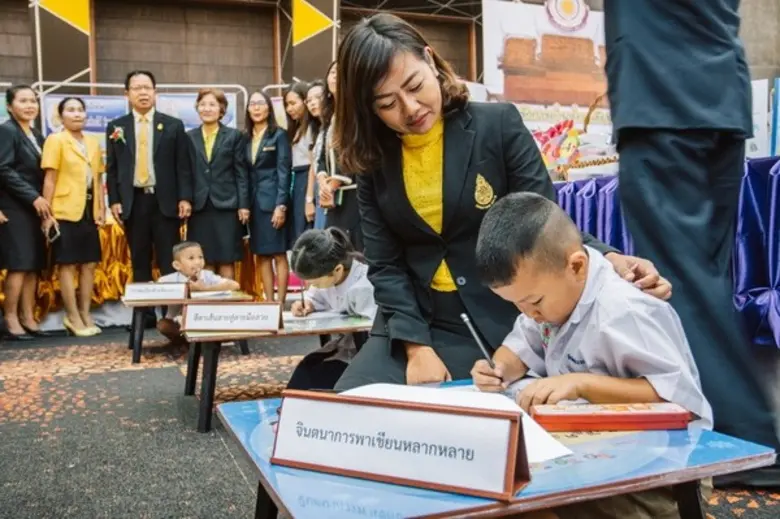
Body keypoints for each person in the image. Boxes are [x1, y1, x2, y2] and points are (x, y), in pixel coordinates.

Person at [330, 14, 671, 392]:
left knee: (448, 421)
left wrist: (612, 260)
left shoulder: (497, 126)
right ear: (368, 109)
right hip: (409, 322)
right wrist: (415, 347)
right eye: (387, 103)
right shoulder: (373, 160)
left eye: (414, 86)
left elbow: (542, 219)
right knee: (350, 406)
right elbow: (385, 264)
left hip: (489, 320)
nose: (410, 108)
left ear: (429, 60)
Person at [603, 1, 780, 485]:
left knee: (683, 286)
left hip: (658, 100)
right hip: (720, 95)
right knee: (707, 283)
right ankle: (739, 436)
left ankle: (749, 445)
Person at [105, 70, 192, 327]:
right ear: (127, 94)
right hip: (134, 202)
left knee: (169, 260)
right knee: (139, 259)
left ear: (155, 92)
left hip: (165, 202)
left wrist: (185, 197)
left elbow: (182, 166)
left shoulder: (173, 125)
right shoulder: (116, 127)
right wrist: (115, 200)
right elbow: (112, 168)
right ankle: (143, 316)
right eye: (136, 88)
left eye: (147, 88)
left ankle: (170, 314)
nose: (142, 93)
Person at [40, 97, 105, 337]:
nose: (76, 114)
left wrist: (101, 208)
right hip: (63, 210)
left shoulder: (93, 141)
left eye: (80, 110)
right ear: (61, 116)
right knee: (67, 265)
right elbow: (50, 178)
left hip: (88, 211)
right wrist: (47, 214)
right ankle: (72, 316)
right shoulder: (55, 140)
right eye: (70, 110)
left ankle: (86, 313)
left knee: (88, 264)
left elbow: (97, 179)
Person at [287, 227, 376, 390]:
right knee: (304, 371)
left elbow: (372, 335)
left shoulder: (363, 286)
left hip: (367, 354)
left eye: (315, 282)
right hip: (346, 346)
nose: (312, 286)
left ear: (338, 270)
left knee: (318, 380)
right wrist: (307, 304)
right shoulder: (328, 275)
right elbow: (315, 297)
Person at [0, 85, 52, 340]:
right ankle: (10, 318)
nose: (29, 105)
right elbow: (5, 169)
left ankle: (28, 316)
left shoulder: (37, 135)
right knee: (19, 264)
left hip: (35, 209)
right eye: (23, 101)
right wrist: (34, 197)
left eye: (33, 101)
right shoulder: (6, 131)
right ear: (10, 106)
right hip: (15, 206)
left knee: (33, 265)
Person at [187, 88, 249, 280]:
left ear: (221, 109)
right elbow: (186, 173)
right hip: (199, 207)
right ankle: (205, 307)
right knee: (202, 260)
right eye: (203, 104)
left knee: (226, 258)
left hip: (227, 206)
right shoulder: (189, 137)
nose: (207, 109)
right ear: (197, 108)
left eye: (212, 105)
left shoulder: (233, 136)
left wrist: (243, 205)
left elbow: (241, 173)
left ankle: (226, 307)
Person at [246, 91, 292, 304]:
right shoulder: (245, 137)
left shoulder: (279, 134)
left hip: (273, 202)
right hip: (253, 204)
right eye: (252, 104)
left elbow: (284, 170)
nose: (256, 108)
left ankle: (281, 303)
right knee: (262, 255)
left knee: (278, 253)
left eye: (260, 103)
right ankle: (269, 302)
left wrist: (281, 205)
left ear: (268, 108)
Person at [315, 61, 363, 250]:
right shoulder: (329, 116)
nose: (335, 76)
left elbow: (357, 152)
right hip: (333, 197)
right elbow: (321, 158)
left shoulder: (356, 112)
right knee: (336, 250)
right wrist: (323, 181)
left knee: (356, 253)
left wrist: (333, 184)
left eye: (341, 72)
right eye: (332, 72)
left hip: (354, 194)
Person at [155, 241, 240, 342]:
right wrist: (187, 289)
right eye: (191, 258)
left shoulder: (207, 275)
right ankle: (185, 341)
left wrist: (204, 289)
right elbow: (157, 292)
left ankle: (201, 341)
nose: (197, 262)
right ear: (177, 265)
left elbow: (235, 285)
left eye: (201, 257)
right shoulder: (167, 280)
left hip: (204, 320)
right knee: (163, 325)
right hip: (178, 322)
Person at [282, 82, 315, 242]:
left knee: (305, 233)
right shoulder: (295, 128)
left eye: (293, 103)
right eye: (287, 105)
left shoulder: (312, 128)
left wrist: (309, 199)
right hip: (296, 182)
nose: (289, 108)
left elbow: (313, 164)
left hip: (307, 179)